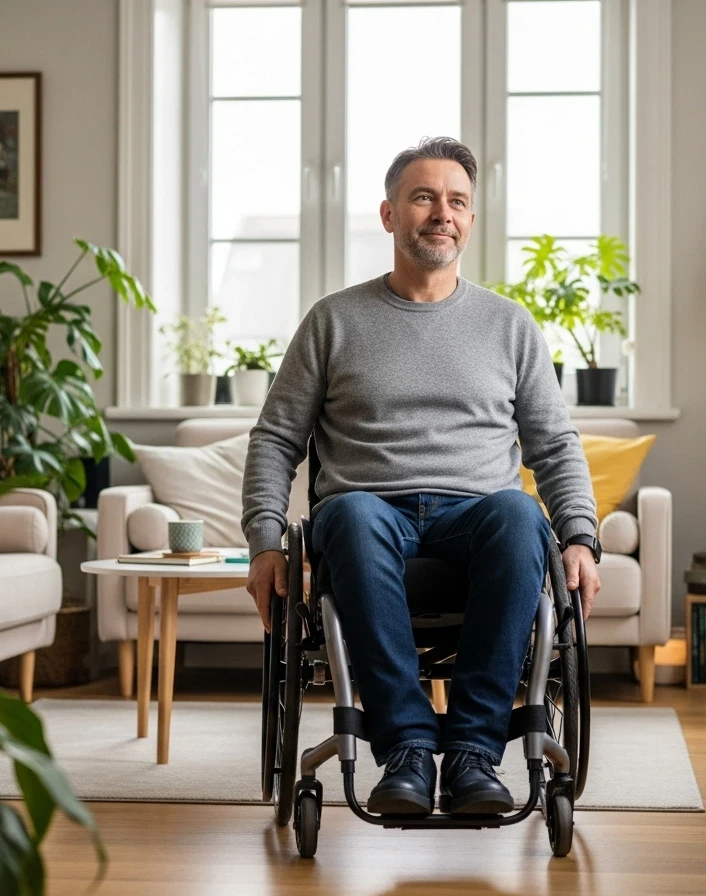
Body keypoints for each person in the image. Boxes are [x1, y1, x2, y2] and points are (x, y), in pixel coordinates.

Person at [241, 136, 603, 819]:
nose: (442, 213)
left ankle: (472, 752)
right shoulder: (334, 321)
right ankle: (405, 749)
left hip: (479, 518)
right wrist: (264, 542)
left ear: (469, 220)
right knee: (345, 513)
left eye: (457, 201)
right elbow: (276, 439)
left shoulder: (509, 326)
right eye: (424, 197)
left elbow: (554, 445)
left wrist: (580, 537)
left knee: (523, 515)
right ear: (389, 215)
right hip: (368, 514)